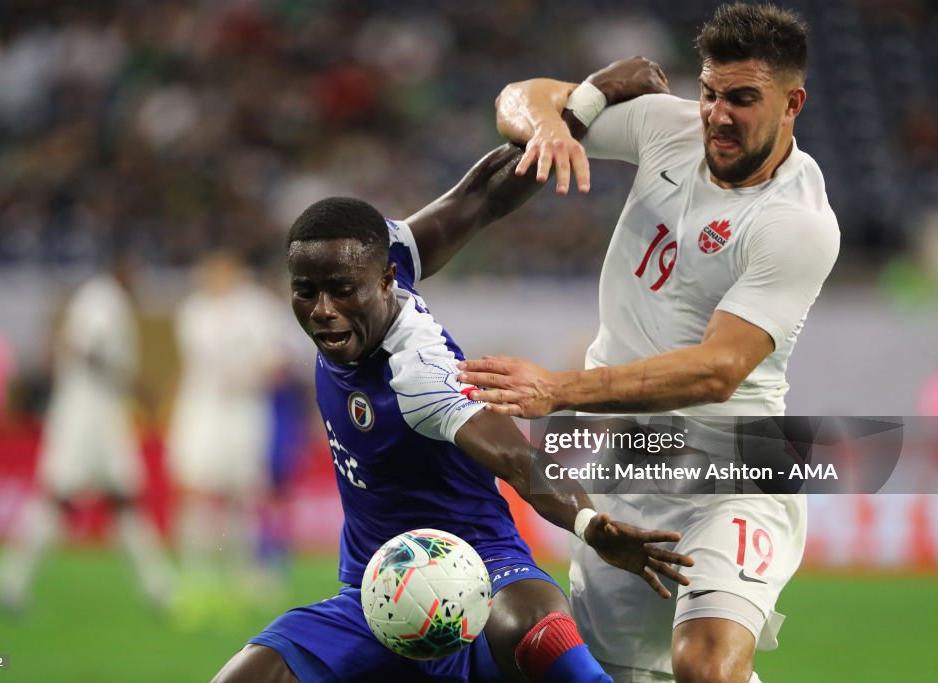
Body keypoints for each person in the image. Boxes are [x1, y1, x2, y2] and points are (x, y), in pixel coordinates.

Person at [212, 58, 693, 683]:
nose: (323, 311)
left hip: (485, 570)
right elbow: (484, 194)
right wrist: (590, 98)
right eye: (305, 292)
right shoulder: (376, 257)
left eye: (341, 291)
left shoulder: (420, 371)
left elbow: (519, 461)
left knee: (533, 629)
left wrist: (591, 526)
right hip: (371, 590)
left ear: (384, 279)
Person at [458, 4, 840, 683]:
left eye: (743, 99)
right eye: (710, 93)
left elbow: (718, 369)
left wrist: (557, 388)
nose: (718, 115)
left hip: (734, 467)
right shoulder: (669, 128)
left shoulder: (795, 224)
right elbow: (517, 99)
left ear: (793, 103)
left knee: (706, 663)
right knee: (627, 674)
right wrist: (562, 118)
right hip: (631, 460)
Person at [0, 257, 173, 612]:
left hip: (99, 413)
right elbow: (85, 348)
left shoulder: (100, 299)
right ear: (122, 269)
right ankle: (9, 582)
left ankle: (159, 588)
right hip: (86, 414)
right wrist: (133, 383)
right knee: (62, 498)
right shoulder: (101, 299)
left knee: (122, 500)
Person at [167, 249, 290, 618]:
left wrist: (250, 375)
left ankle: (250, 576)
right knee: (197, 493)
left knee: (245, 495)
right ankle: (196, 577)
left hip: (244, 414)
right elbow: (193, 363)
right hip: (202, 413)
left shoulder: (258, 309)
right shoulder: (192, 312)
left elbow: (279, 361)